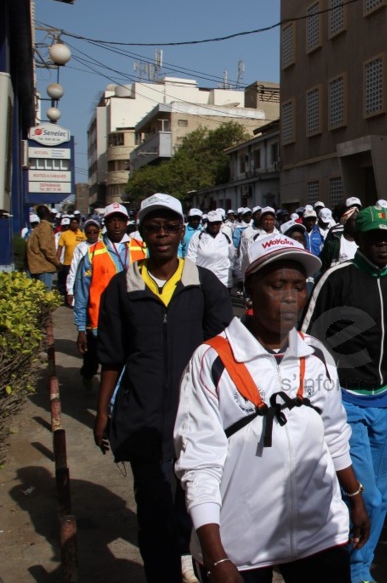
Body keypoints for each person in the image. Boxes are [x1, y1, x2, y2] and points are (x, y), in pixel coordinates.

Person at [174, 235, 368, 582]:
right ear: (249, 289)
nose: (291, 297)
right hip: (243, 544)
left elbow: (335, 433)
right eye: (277, 285)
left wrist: (354, 496)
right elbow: (198, 462)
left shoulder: (317, 355)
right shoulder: (213, 360)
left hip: (319, 532)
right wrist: (216, 555)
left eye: (299, 286)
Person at [94, 193, 233, 583]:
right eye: (153, 227)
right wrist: (103, 411)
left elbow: (224, 347)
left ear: (181, 231)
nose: (162, 235)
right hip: (143, 417)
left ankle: (188, 558)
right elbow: (112, 357)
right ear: (142, 233)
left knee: (194, 503)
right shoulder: (122, 288)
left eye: (169, 227)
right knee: (153, 507)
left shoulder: (203, 284)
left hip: (198, 418)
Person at [301, 205, 387, 583]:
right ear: (359, 239)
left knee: (382, 496)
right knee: (364, 495)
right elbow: (308, 340)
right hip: (345, 402)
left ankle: (359, 564)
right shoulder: (336, 278)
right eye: (374, 237)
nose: (382, 244)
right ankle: (349, 567)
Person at [73, 203, 148, 388]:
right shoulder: (92, 254)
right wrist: (81, 328)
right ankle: (88, 374)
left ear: (126, 223)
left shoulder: (142, 249)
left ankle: (115, 408)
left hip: (134, 320)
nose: (116, 225)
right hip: (101, 322)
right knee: (94, 361)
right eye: (112, 220)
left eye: (120, 220)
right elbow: (82, 292)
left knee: (124, 367)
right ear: (105, 223)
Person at [186, 210, 235, 291]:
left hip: (223, 281)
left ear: (221, 223)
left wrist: (231, 277)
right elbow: (191, 258)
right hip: (203, 281)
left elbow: (232, 258)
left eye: (217, 223)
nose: (215, 226)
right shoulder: (198, 236)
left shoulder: (226, 237)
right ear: (207, 223)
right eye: (212, 223)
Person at [65, 218, 101, 310]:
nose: (92, 234)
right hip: (84, 285)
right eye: (89, 232)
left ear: (99, 232)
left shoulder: (105, 245)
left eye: (95, 232)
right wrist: (70, 291)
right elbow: (73, 270)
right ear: (85, 233)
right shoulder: (80, 247)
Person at [25, 205, 60, 290]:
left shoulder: (38, 228)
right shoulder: (45, 227)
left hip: (34, 265)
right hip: (44, 267)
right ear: (48, 213)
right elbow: (46, 248)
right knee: (45, 297)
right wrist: (57, 263)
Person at [57, 215, 85, 299]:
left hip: (80, 263)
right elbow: (60, 249)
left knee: (78, 282)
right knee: (68, 281)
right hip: (67, 263)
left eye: (76, 223)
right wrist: (57, 261)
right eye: (72, 223)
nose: (74, 225)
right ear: (70, 224)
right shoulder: (64, 234)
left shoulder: (82, 235)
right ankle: (68, 298)